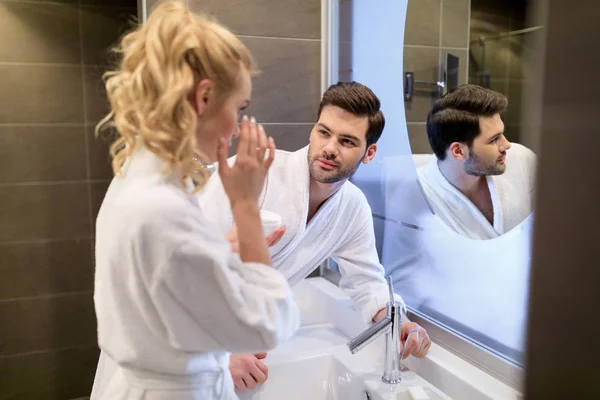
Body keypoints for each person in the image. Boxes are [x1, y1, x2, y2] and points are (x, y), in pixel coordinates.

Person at [90, 2, 299, 399]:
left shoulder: (134, 175)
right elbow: (269, 323)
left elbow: (165, 283)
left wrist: (220, 250)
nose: (238, 129)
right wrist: (246, 207)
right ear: (204, 99)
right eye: (239, 108)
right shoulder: (162, 209)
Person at [198, 81, 431, 391]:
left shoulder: (351, 207)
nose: (330, 148)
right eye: (324, 132)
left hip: (245, 346)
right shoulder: (253, 172)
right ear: (313, 131)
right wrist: (213, 356)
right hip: (185, 346)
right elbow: (177, 270)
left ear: (369, 152)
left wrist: (397, 322)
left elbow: (366, 283)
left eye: (347, 141)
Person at [418, 84, 537, 240]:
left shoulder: (521, 160)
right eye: (494, 139)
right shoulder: (419, 195)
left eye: (502, 134)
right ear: (459, 151)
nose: (506, 145)